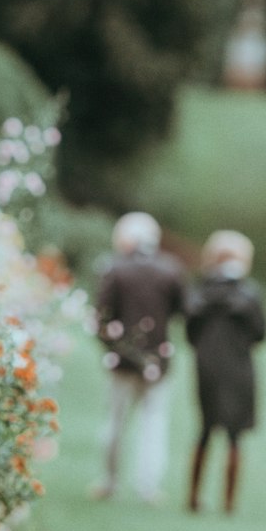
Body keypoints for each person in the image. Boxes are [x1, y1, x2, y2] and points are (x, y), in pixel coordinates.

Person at [93, 212, 186, 504]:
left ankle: (110, 481)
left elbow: (102, 316)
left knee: (116, 422)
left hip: (121, 360)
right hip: (158, 359)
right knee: (153, 422)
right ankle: (148, 486)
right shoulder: (171, 269)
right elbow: (181, 310)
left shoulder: (115, 269)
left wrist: (111, 346)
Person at [186, 230, 266, 514]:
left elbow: (190, 333)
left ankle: (193, 497)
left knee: (205, 430)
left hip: (206, 367)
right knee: (235, 436)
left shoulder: (200, 294)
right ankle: (229, 502)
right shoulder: (249, 294)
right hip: (239, 369)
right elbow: (261, 333)